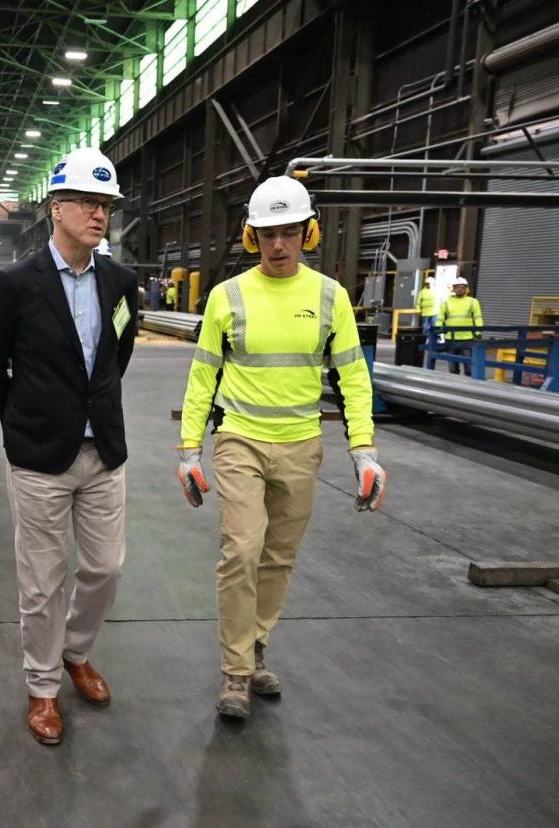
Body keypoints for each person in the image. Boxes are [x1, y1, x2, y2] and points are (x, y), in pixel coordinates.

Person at [176, 175, 386, 721]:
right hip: (239, 441)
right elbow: (203, 378)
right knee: (241, 551)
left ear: (307, 232)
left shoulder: (329, 297)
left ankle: (257, 646)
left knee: (277, 558)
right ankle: (236, 673)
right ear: (251, 236)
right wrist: (188, 450)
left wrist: (363, 451)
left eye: (288, 233)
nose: (277, 245)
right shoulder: (228, 297)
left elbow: (353, 378)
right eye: (267, 234)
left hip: (301, 445)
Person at [0, 147, 138, 746]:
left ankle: (75, 651)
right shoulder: (16, 283)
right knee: (42, 580)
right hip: (40, 455)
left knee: (105, 567)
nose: (100, 215)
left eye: (107, 205)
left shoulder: (121, 282)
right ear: (57, 207)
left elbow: (119, 357)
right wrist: (23, 417)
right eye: (90, 203)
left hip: (102, 452)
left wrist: (95, 407)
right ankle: (43, 688)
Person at [436, 276, 484, 375]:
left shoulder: (473, 302)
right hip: (451, 338)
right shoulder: (446, 303)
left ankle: (469, 386)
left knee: (469, 367)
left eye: (462, 287)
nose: (460, 289)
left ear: (466, 289)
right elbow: (440, 318)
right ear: (454, 288)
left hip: (467, 338)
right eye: (458, 287)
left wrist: (478, 332)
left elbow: (478, 318)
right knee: (452, 368)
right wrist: (437, 330)